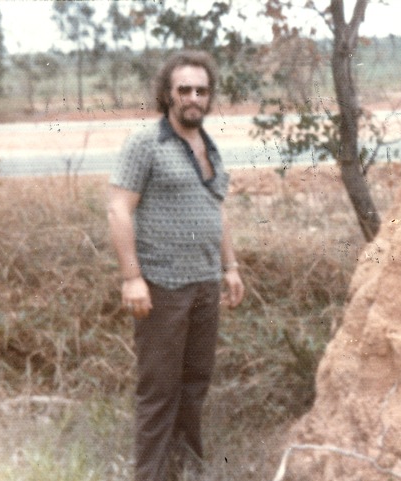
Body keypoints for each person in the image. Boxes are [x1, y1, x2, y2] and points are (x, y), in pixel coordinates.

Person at [107, 50, 245, 481]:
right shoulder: (145, 143)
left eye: (201, 90)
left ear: (209, 97)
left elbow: (216, 209)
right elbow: (117, 209)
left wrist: (231, 267)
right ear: (167, 94)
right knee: (159, 391)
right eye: (184, 89)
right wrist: (132, 278)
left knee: (194, 385)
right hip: (162, 287)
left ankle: (186, 471)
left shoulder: (210, 146)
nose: (193, 97)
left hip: (205, 285)